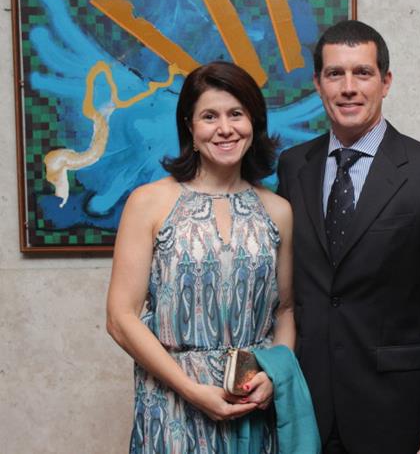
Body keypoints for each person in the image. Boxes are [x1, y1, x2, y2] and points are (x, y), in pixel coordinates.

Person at [276, 20, 420, 454]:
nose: (348, 87)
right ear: (317, 84)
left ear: (385, 82)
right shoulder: (293, 167)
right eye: (335, 74)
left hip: (397, 410)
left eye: (362, 73)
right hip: (307, 406)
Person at [106, 61, 319, 453]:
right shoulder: (149, 203)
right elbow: (121, 318)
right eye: (209, 116)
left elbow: (286, 310)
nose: (225, 128)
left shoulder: (277, 211)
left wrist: (274, 375)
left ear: (254, 122)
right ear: (189, 125)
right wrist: (192, 390)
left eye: (236, 114)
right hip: (171, 405)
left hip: (251, 405)